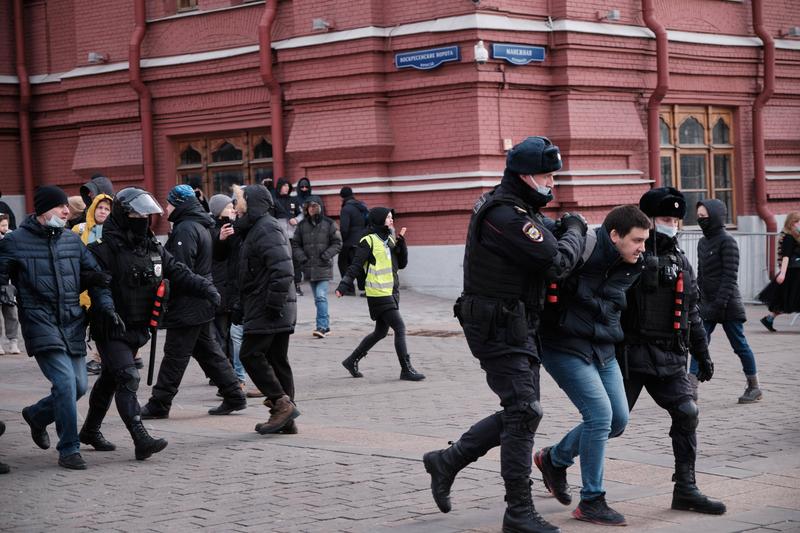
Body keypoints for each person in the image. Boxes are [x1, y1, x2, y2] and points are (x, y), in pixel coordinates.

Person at [421, 136, 586, 533]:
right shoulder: (505, 215)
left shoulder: (514, 206)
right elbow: (556, 260)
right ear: (526, 175)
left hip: (513, 321)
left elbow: (547, 232)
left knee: (521, 412)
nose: (552, 184)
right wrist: (576, 228)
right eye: (547, 176)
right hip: (497, 324)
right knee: (524, 411)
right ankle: (518, 511)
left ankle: (448, 461)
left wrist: (561, 227)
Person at [80, 188, 221, 460]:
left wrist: (206, 288)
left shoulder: (151, 246)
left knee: (110, 378)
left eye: (144, 214)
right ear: (122, 215)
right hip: (111, 327)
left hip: (138, 325)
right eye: (135, 213)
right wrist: (108, 309)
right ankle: (140, 438)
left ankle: (89, 430)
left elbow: (178, 271)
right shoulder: (102, 249)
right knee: (128, 376)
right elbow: (100, 286)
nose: (141, 219)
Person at [532, 204, 647, 527]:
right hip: (564, 345)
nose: (642, 248)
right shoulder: (582, 250)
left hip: (603, 347)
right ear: (615, 236)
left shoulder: (631, 264)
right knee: (599, 416)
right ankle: (592, 500)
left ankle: (554, 458)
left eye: (644, 241)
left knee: (618, 421)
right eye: (637, 240)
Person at [616, 187, 726, 515]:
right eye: (665, 219)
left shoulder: (680, 260)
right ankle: (554, 459)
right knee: (609, 424)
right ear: (647, 220)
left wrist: (703, 354)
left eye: (677, 220)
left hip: (670, 357)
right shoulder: (628, 256)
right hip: (631, 358)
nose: (672, 226)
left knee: (687, 412)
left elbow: (691, 312)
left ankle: (686, 489)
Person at [0, 185, 118, 470]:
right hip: (40, 321)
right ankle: (69, 449)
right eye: (59, 206)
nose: (66, 211)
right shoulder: (15, 241)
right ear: (42, 211)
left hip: (72, 321)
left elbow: (94, 276)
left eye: (67, 206)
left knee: (78, 386)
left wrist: (105, 304)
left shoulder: (70, 240)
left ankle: (37, 415)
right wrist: (5, 290)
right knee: (65, 384)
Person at [140, 185, 246, 419]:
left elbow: (181, 269)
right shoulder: (199, 224)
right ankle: (233, 394)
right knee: (209, 351)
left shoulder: (186, 229)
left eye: (169, 203)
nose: (166, 208)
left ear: (178, 203)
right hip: (200, 300)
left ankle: (160, 402)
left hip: (189, 301)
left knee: (175, 355)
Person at [232, 184, 300, 435]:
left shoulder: (266, 228)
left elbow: (282, 271)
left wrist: (273, 304)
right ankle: (287, 418)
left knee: (250, 354)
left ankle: (281, 406)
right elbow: (250, 274)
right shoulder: (256, 229)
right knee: (277, 360)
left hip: (270, 305)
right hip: (270, 304)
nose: (237, 209)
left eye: (241, 203)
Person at [336, 208, 425, 381]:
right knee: (399, 327)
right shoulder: (367, 240)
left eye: (392, 217)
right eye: (388, 218)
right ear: (378, 220)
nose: (391, 220)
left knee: (380, 332)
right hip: (377, 292)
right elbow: (355, 265)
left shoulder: (389, 239)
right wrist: (344, 285)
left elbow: (401, 265)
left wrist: (402, 246)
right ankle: (406, 369)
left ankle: (351, 360)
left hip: (391, 291)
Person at [694, 199, 761, 403]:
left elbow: (730, 277)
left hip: (729, 305)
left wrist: (719, 303)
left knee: (740, 345)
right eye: (698, 217)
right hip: (707, 304)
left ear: (715, 217)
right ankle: (690, 389)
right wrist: (698, 298)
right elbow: (701, 273)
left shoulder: (727, 241)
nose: (701, 221)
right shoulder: (702, 242)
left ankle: (754, 386)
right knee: (698, 343)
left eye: (704, 217)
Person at [208, 193, 248, 388]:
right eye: (228, 206)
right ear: (218, 210)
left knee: (232, 333)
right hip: (220, 287)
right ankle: (222, 372)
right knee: (221, 334)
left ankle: (229, 370)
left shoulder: (235, 227)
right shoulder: (212, 229)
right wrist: (220, 239)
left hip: (232, 288)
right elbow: (215, 257)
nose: (232, 208)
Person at [74, 193, 113, 375]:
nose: (103, 212)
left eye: (107, 209)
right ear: (93, 208)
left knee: (102, 325)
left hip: (102, 288)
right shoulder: (79, 230)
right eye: (100, 207)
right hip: (81, 289)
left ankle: (99, 359)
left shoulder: (112, 232)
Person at [292, 198, 342, 338]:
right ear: (306, 209)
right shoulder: (302, 226)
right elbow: (295, 244)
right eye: (310, 207)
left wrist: (326, 255)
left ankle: (322, 327)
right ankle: (326, 324)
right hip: (309, 267)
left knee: (320, 296)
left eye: (315, 206)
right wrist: (303, 258)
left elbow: (337, 243)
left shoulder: (329, 224)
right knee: (318, 299)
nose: (312, 209)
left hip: (324, 267)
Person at [758, 211, 800, 331]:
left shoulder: (796, 235)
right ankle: (769, 319)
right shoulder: (788, 237)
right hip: (793, 272)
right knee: (789, 300)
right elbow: (786, 256)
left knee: (789, 300)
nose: (799, 224)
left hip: (796, 271)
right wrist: (782, 273)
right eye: (797, 222)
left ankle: (769, 319)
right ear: (791, 223)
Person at [337, 187, 369, 295]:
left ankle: (349, 288)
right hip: (362, 239)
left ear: (342, 196)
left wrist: (343, 240)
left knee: (343, 263)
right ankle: (365, 288)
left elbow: (344, 228)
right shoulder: (360, 206)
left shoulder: (346, 209)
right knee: (358, 265)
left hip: (350, 242)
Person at [0, 214, 20, 355]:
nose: (4, 228)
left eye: (6, 225)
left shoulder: (11, 239)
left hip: (7, 284)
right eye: (2, 225)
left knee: (11, 313)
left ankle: (13, 341)